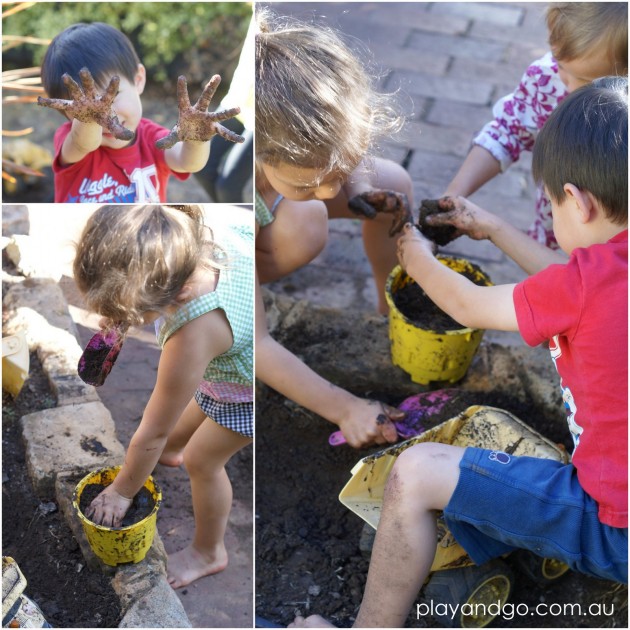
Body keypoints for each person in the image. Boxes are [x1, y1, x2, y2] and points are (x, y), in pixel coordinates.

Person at [291, 76, 628, 627]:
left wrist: (415, 253)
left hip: (617, 528)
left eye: (550, 204)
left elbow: (468, 307)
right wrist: (490, 227)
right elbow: (573, 282)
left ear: (576, 202)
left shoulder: (585, 286)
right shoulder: (605, 275)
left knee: (416, 471)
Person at [255, 9, 413, 449]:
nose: (329, 192)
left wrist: (359, 185)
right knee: (308, 221)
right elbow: (257, 344)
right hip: (237, 242)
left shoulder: (313, 147)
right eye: (311, 182)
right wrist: (344, 406)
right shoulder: (232, 196)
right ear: (262, 153)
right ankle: (244, 281)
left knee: (394, 184)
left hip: (278, 196)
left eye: (336, 172)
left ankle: (389, 310)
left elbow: (344, 165)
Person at [73, 204, 253, 589]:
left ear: (180, 293)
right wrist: (125, 311)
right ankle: (170, 453)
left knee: (203, 461)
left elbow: (150, 432)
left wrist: (123, 490)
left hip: (250, 391)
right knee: (186, 417)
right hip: (227, 367)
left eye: (129, 315)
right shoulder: (183, 227)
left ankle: (210, 551)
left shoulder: (193, 332)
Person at [443, 2, 627, 249]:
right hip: (555, 231)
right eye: (561, 65)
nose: (569, 86)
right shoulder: (546, 80)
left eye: (586, 80)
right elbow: (507, 131)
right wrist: (455, 192)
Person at [38, 22, 245, 203]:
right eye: (87, 111)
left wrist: (197, 139)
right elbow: (84, 142)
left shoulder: (150, 137)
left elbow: (187, 162)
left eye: (113, 95)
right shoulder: (69, 140)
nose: (105, 117)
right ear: (66, 113)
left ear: (138, 80)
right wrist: (89, 118)